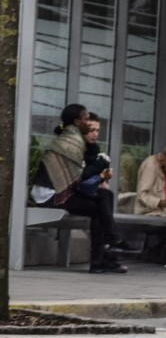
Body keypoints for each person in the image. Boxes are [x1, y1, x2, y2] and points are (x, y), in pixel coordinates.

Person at [30, 103, 127, 274]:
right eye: (85, 118)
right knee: (100, 205)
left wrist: (97, 165)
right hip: (50, 196)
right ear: (76, 121)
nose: (88, 123)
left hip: (62, 193)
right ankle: (105, 250)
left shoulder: (77, 141)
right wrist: (99, 165)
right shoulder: (69, 143)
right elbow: (78, 177)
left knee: (105, 197)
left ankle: (105, 252)